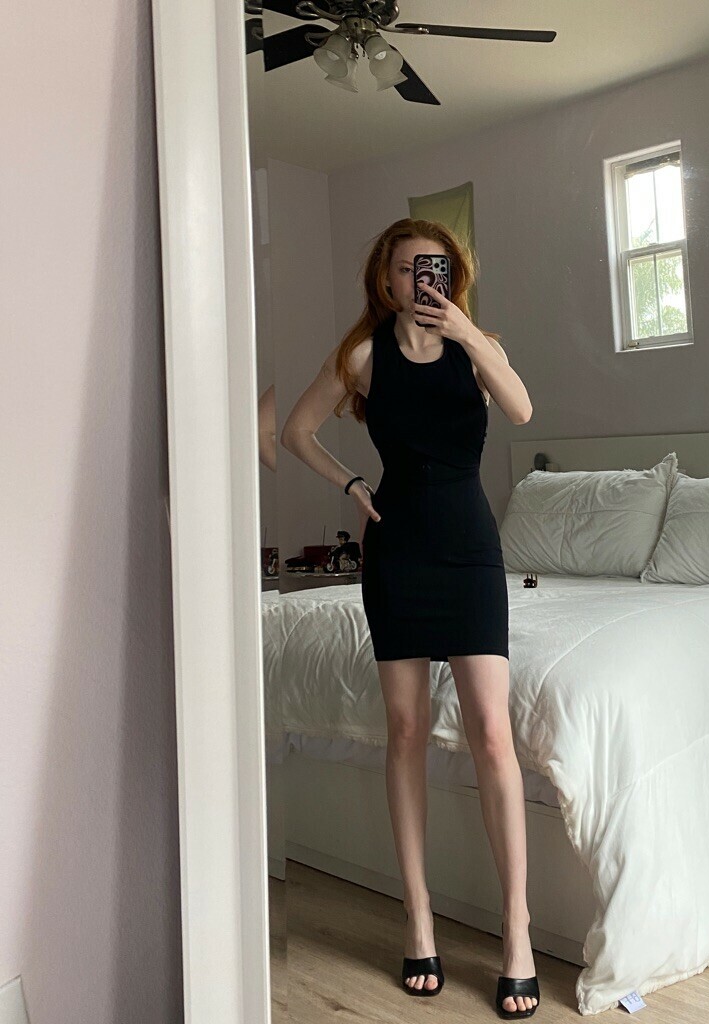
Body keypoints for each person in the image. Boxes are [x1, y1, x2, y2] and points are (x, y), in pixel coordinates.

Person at [280, 218, 539, 1018]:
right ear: (385, 279)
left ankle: (518, 929)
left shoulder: (477, 345)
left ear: (452, 276)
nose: (421, 279)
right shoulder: (362, 355)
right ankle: (418, 916)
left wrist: (465, 332)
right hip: (398, 554)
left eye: (435, 267)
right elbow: (294, 430)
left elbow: (522, 410)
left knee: (492, 732)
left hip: (469, 550)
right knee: (404, 731)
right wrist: (353, 485)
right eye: (407, 269)